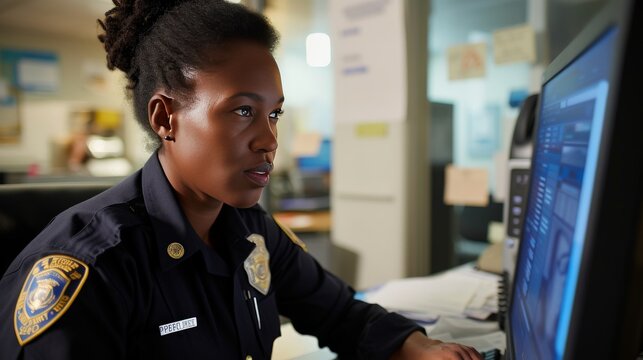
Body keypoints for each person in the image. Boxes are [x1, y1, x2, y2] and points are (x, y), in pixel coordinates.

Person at [0, 1, 482, 359]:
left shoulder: (251, 231)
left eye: (274, 114)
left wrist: (418, 347)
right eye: (243, 110)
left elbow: (339, 313)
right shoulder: (94, 268)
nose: (268, 139)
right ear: (165, 118)